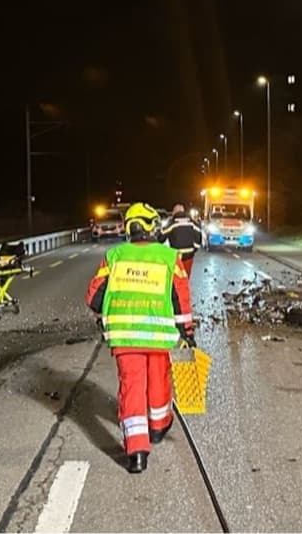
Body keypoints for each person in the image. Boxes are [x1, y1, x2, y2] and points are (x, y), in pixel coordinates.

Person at [86, 202, 194, 474]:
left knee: (131, 389)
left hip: (124, 337)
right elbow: (180, 298)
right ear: (152, 226)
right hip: (158, 336)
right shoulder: (168, 257)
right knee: (159, 381)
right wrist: (187, 331)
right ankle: (158, 427)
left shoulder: (114, 256)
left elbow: (94, 297)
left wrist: (115, 306)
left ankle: (136, 454)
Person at [161, 203, 202, 276]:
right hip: (189, 256)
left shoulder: (172, 223)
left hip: (176, 256)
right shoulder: (192, 222)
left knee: (176, 278)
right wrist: (194, 249)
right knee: (186, 277)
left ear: (174, 212)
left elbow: (161, 238)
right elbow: (198, 236)